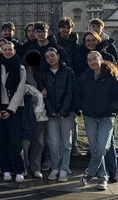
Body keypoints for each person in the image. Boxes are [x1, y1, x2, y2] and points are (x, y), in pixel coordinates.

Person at [76, 52, 118, 191]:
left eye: (94, 59)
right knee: (95, 149)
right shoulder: (84, 77)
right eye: (89, 60)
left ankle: (89, 173)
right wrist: (80, 106)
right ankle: (102, 178)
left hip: (106, 118)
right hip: (89, 117)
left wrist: (111, 109)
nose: (92, 62)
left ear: (101, 60)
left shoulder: (110, 76)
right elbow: (77, 92)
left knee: (102, 148)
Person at [0, 42, 26, 183]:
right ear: (2, 51)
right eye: (5, 50)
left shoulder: (20, 68)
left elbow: (20, 90)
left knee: (15, 141)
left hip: (13, 108)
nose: (7, 52)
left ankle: (19, 169)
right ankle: (6, 169)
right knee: (0, 140)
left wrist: (10, 110)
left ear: (14, 51)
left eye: (10, 50)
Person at [42, 47, 75, 182]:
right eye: (48, 57)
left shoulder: (68, 71)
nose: (51, 58)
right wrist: (51, 110)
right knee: (53, 142)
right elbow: (44, 94)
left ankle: (64, 167)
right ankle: (56, 166)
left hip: (66, 112)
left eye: (52, 55)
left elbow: (70, 92)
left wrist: (63, 110)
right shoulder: (45, 74)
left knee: (66, 142)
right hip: (52, 112)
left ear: (58, 56)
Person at [21, 50, 46, 179]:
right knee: (24, 139)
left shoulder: (40, 71)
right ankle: (24, 166)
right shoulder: (21, 70)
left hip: (39, 109)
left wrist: (43, 91)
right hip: (25, 108)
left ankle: (36, 167)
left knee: (38, 139)